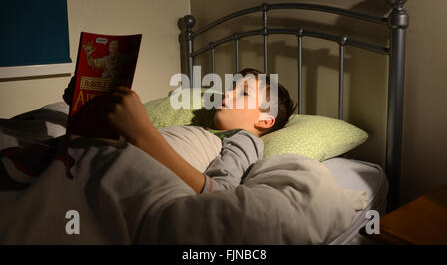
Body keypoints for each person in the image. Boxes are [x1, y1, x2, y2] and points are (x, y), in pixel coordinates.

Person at [63, 68, 296, 194]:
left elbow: (222, 193)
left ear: (266, 120)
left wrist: (143, 133)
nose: (226, 95)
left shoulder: (245, 140)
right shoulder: (201, 131)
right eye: (230, 89)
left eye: (243, 93)